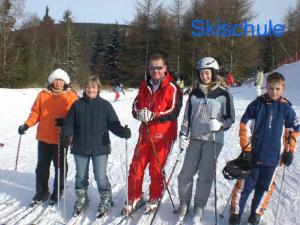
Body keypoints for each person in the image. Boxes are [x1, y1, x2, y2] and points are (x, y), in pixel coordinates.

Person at [228, 72, 299, 225]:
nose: (274, 92)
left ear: (283, 89)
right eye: (271, 88)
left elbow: (293, 130)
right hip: (254, 155)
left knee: (264, 188)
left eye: (278, 89)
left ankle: (256, 212)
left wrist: (290, 151)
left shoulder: (286, 108)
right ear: (266, 87)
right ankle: (236, 212)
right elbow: (244, 125)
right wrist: (246, 150)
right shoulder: (257, 104)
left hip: (274, 158)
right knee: (244, 186)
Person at [60, 76, 131, 216]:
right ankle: (82, 198)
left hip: (100, 147)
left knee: (100, 176)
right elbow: (69, 123)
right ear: (84, 88)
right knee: (81, 176)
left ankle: (106, 197)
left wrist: (122, 131)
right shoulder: (77, 105)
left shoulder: (105, 105)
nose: (90, 89)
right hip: (80, 146)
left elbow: (113, 123)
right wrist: (66, 135)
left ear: (98, 88)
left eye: (93, 87)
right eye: (88, 87)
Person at [177, 57, 235, 224]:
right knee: (185, 175)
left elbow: (231, 118)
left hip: (213, 140)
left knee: (205, 176)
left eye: (207, 73)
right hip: (194, 139)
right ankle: (184, 203)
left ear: (214, 73)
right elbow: (187, 118)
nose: (204, 76)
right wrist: (183, 134)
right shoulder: (194, 93)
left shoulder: (224, 93)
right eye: (202, 73)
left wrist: (220, 125)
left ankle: (199, 207)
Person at [122, 53, 182, 214]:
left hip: (163, 135)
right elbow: (135, 106)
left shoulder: (173, 87)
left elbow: (174, 110)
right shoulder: (144, 85)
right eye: (152, 68)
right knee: (136, 166)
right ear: (148, 69)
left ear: (165, 69)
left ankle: (154, 196)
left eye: (159, 67)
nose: (155, 71)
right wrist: (139, 113)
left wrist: (154, 115)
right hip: (145, 134)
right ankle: (135, 196)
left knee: (156, 168)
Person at [18, 68, 78, 206]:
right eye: (56, 79)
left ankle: (58, 191)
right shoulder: (43, 95)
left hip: (61, 138)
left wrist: (66, 122)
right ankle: (42, 191)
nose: (58, 82)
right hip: (44, 138)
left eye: (61, 80)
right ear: (52, 81)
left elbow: (76, 116)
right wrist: (26, 125)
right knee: (41, 167)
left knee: (60, 167)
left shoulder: (71, 96)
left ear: (65, 82)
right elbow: (35, 113)